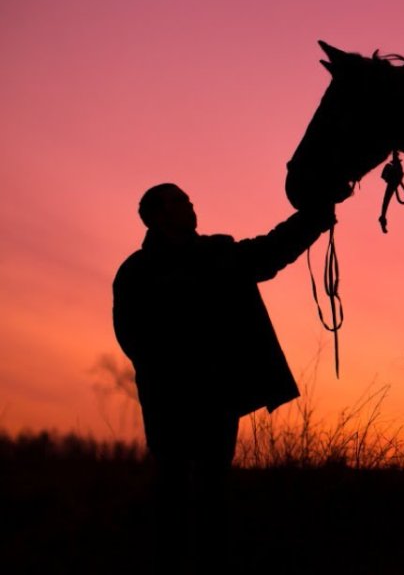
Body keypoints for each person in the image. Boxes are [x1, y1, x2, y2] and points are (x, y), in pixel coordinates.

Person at [112, 183, 335, 571]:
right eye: (181, 201)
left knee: (214, 489)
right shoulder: (136, 272)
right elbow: (132, 337)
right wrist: (174, 373)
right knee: (173, 489)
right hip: (170, 401)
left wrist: (315, 217)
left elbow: (270, 251)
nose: (191, 205)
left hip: (217, 399)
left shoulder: (218, 253)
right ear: (159, 215)